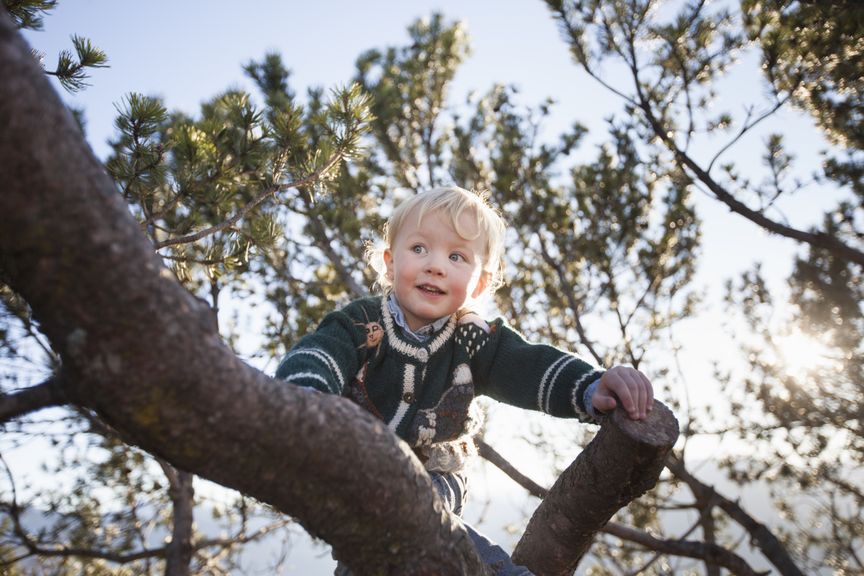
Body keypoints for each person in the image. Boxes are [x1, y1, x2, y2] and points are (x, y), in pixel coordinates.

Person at [275, 186, 654, 575]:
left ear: (478, 285)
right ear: (390, 263)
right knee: (372, 543)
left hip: (440, 479)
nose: (435, 265)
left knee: (433, 531)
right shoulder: (362, 323)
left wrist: (591, 388)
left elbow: (530, 367)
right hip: (360, 479)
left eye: (456, 256)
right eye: (419, 248)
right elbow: (320, 354)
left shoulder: (473, 339)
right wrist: (304, 401)